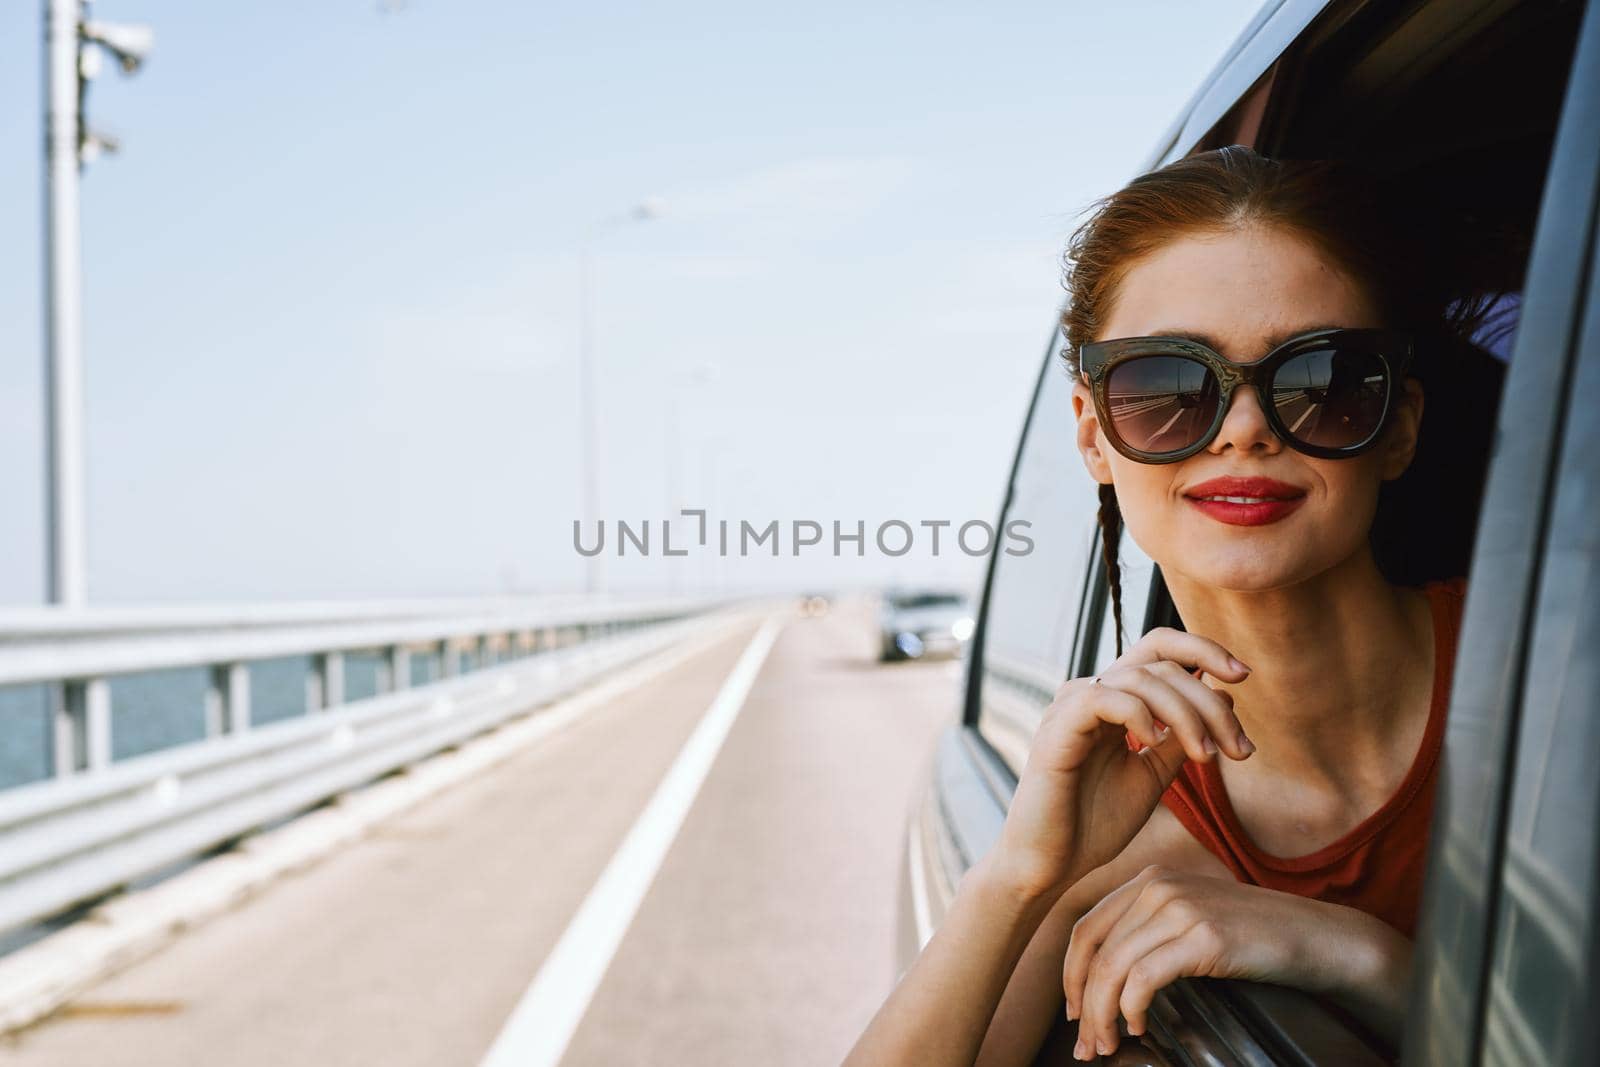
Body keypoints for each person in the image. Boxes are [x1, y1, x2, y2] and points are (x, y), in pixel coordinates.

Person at [843, 145, 1485, 1065]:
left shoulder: (1557, 684)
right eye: (1165, 388)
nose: (1244, 427)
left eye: (1323, 380)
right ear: (1094, 436)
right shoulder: (1108, 836)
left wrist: (1361, 959)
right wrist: (1023, 875)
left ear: (1400, 424)